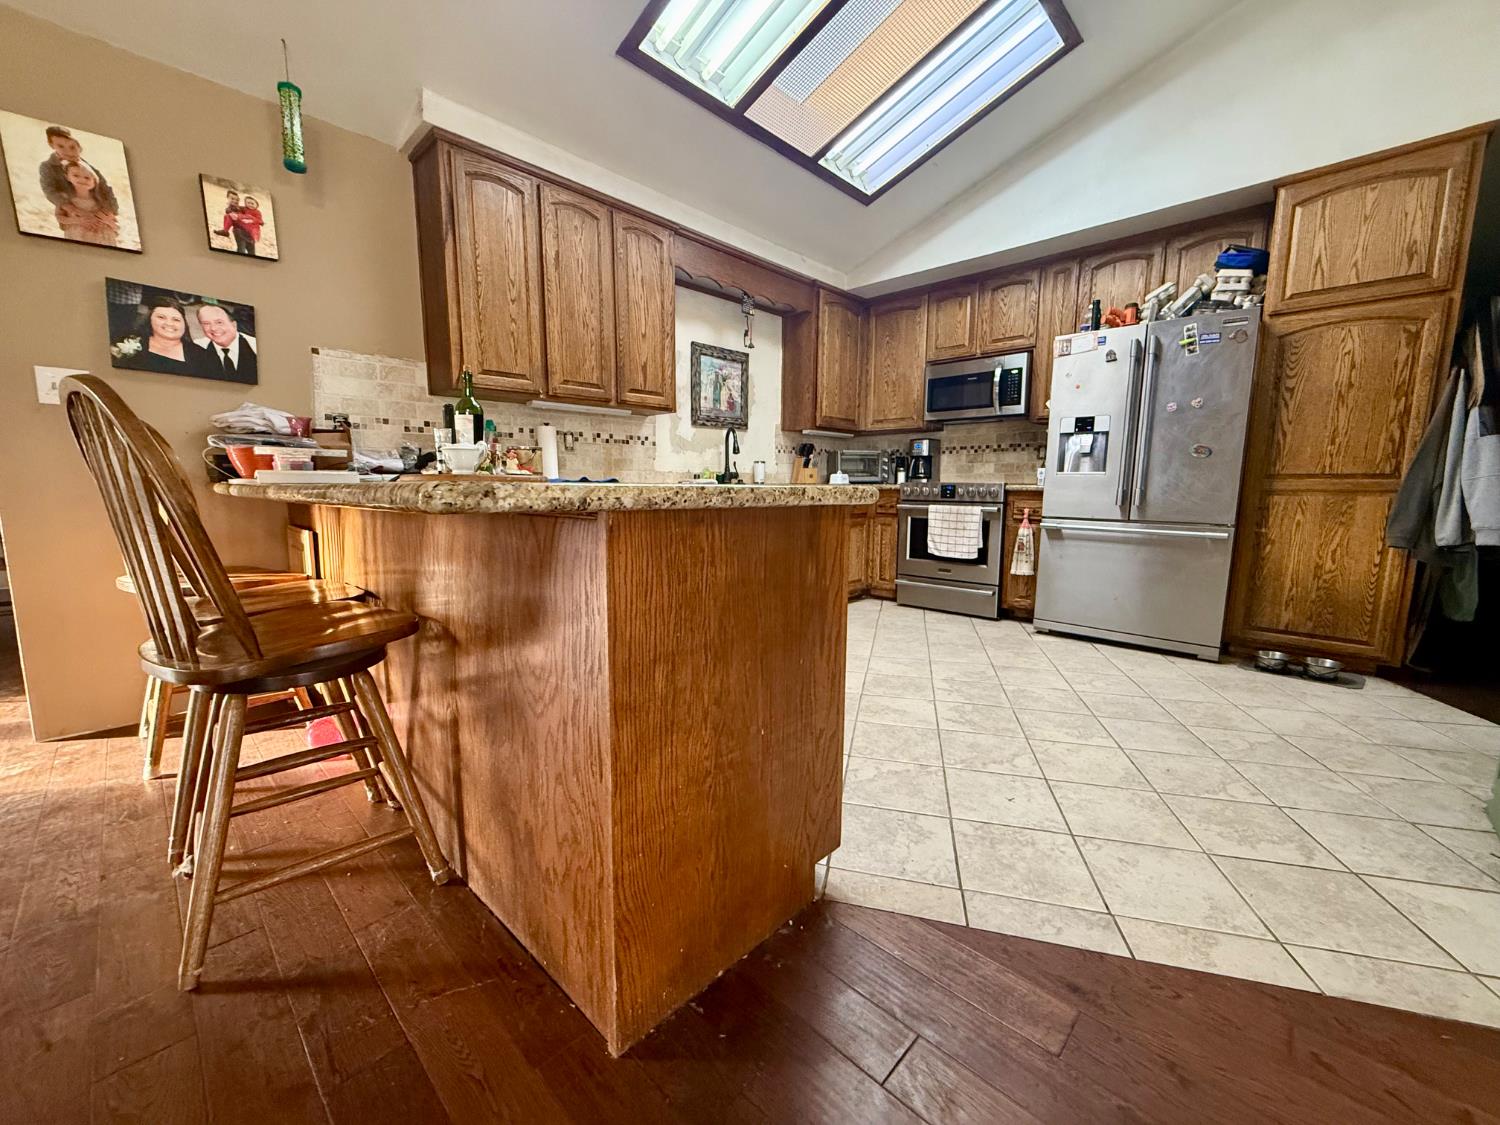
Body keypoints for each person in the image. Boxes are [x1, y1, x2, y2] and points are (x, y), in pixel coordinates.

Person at [115, 296, 212, 376]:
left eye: (176, 319)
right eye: (161, 317)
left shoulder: (203, 356)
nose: (169, 323)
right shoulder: (128, 345)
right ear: (149, 320)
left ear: (184, 324)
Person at [38, 124, 115, 212]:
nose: (68, 151)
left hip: (96, 209)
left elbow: (105, 188)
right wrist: (68, 206)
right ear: (51, 145)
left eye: (72, 147)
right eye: (60, 146)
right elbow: (49, 191)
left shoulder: (85, 165)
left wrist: (111, 211)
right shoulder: (48, 166)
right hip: (70, 211)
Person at [54, 160, 119, 246]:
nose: (82, 180)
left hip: (102, 238)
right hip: (78, 236)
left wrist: (107, 221)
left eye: (87, 178)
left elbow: (116, 225)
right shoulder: (65, 199)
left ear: (94, 182)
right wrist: (78, 220)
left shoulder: (101, 201)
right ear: (67, 177)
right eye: (76, 175)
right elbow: (59, 217)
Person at [193, 302, 257, 383]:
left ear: (234, 325)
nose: (213, 328)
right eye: (206, 324)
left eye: (219, 322)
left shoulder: (254, 346)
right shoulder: (197, 348)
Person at [218, 190, 263, 255]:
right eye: (248, 203)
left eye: (252, 203)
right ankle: (225, 231)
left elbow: (260, 221)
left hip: (251, 233)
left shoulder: (257, 212)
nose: (250, 205)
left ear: (257, 205)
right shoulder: (243, 208)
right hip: (240, 231)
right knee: (241, 249)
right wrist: (230, 206)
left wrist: (251, 220)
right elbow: (232, 210)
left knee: (251, 251)